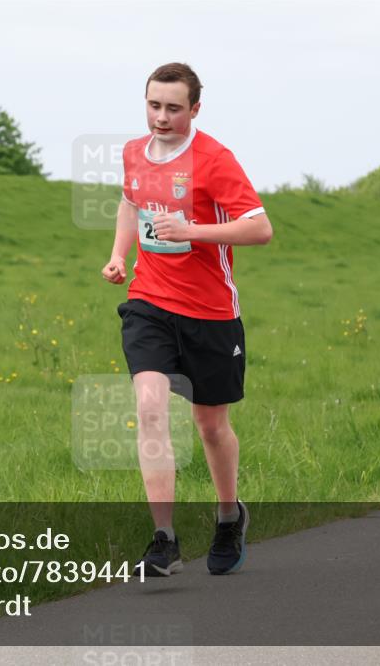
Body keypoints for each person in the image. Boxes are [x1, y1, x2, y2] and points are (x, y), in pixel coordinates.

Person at [101, 62, 273, 575]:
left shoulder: (214, 159)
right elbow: (130, 203)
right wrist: (119, 255)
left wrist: (191, 231)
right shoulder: (134, 152)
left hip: (210, 313)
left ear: (195, 109)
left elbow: (259, 229)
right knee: (150, 406)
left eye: (173, 108)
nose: (161, 117)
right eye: (154, 105)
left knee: (211, 425)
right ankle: (164, 540)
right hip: (149, 301)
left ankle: (229, 516)